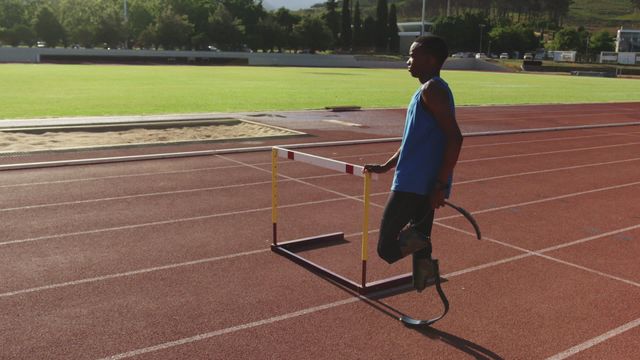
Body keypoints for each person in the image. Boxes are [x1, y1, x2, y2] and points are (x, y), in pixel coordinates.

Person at [363, 35, 463, 291]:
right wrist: (387, 165)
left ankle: (424, 260)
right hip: (419, 181)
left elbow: (455, 137)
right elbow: (413, 141)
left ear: (429, 59)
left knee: (387, 248)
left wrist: (440, 184)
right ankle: (425, 281)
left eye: (412, 55)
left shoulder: (433, 90)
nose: (407, 61)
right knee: (420, 239)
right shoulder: (427, 90)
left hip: (415, 184)